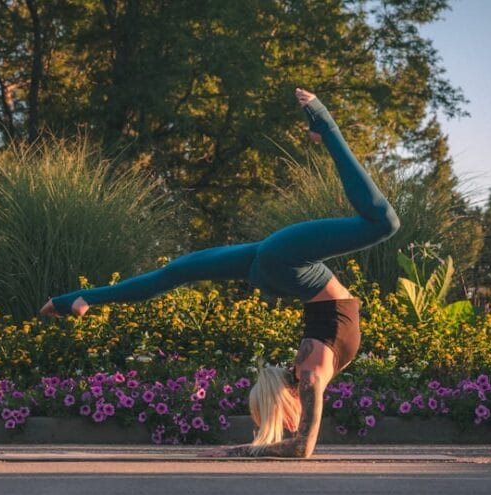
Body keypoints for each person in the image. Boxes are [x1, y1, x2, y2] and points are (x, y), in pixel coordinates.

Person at [40, 88, 400, 457]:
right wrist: (238, 451)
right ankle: (78, 300)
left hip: (287, 265)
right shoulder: (310, 376)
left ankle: (78, 300)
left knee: (382, 224)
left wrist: (232, 452)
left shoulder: (310, 375)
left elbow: (300, 448)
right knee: (175, 273)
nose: (294, 424)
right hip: (278, 268)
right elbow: (302, 447)